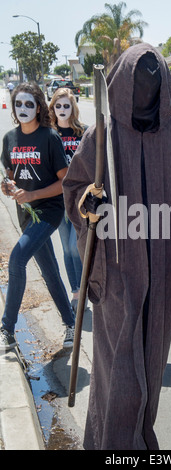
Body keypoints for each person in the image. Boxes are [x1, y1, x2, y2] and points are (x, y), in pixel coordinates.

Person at [63, 43, 171, 450]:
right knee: (120, 371)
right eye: (138, 78)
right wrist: (88, 203)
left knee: (151, 363)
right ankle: (112, 445)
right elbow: (76, 186)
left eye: (153, 78)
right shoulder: (101, 134)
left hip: (161, 269)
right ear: (123, 83)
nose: (146, 86)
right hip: (115, 271)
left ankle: (140, 438)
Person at [0, 82, 75, 351]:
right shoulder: (9, 139)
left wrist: (33, 195)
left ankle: (6, 329)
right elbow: (10, 178)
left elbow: (65, 181)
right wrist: (8, 188)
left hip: (49, 211)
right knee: (50, 271)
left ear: (39, 107)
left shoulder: (49, 137)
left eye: (28, 104)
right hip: (25, 215)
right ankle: (71, 323)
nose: (23, 109)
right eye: (18, 104)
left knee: (18, 258)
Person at [49, 88, 88, 312]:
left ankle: (83, 290)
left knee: (75, 247)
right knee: (66, 249)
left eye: (66, 106)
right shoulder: (49, 134)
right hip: (57, 200)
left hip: (79, 200)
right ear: (53, 107)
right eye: (58, 105)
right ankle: (75, 292)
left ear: (73, 108)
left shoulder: (82, 132)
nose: (62, 110)